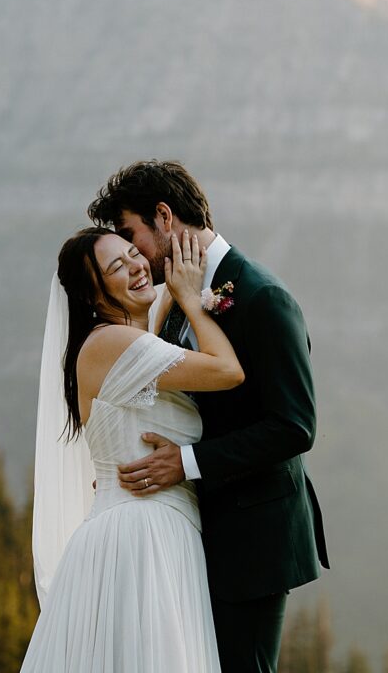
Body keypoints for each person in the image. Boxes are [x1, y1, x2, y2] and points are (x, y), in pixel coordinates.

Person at [88, 160, 329, 673]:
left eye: (132, 235)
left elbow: (295, 424)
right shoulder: (176, 297)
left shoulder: (264, 297)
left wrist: (187, 464)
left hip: (254, 538)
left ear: (164, 216)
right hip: (194, 531)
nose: (135, 256)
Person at [20, 225, 244, 672]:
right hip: (141, 535)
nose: (137, 267)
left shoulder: (135, 338)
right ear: (93, 294)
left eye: (132, 253)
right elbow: (226, 370)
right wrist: (188, 296)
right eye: (116, 267)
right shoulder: (109, 343)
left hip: (160, 528)